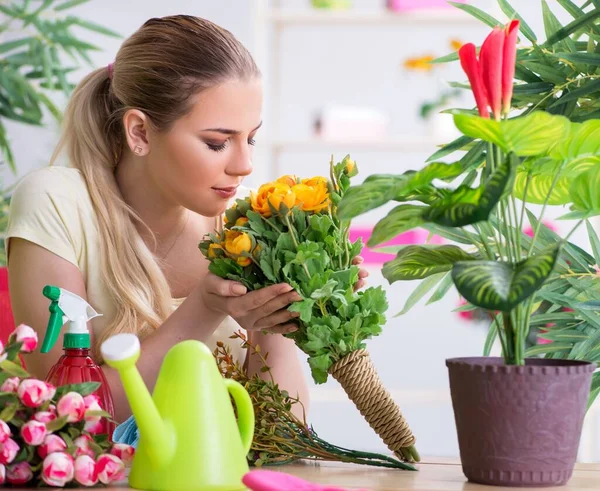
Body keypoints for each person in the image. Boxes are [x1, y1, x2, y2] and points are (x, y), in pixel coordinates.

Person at [5, 15, 367, 424]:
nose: (245, 165)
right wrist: (204, 308)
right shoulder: (57, 203)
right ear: (140, 132)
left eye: (250, 138)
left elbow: (285, 435)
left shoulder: (249, 223)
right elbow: (70, 416)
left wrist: (281, 311)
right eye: (217, 143)